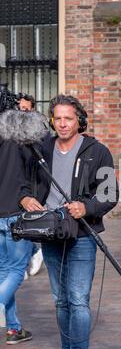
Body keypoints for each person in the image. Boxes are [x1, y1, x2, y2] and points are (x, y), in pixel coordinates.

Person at [20, 94, 118, 349]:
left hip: (82, 235)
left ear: (80, 121)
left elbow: (109, 192)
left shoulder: (97, 151)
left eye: (69, 118)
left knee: (77, 299)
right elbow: (24, 182)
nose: (63, 124)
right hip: (49, 232)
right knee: (60, 300)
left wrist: (86, 207)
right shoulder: (41, 148)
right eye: (58, 118)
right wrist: (25, 197)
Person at [0, 110, 33, 344]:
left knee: (4, 271)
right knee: (16, 270)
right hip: (16, 214)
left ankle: (13, 328)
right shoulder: (21, 139)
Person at [17, 93, 44, 277]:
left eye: (26, 109)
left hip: (31, 182)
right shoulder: (9, 129)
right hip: (15, 182)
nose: (22, 112)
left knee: (23, 222)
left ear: (32, 110)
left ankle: (26, 260)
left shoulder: (38, 130)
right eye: (20, 109)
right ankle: (32, 253)